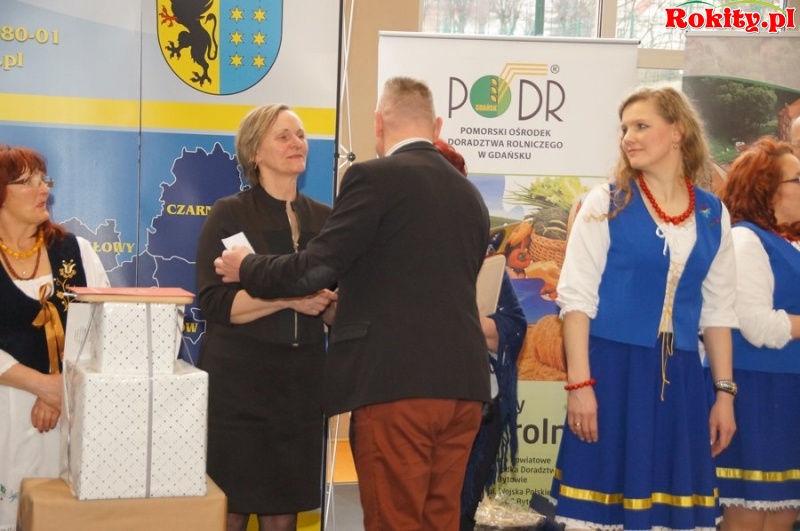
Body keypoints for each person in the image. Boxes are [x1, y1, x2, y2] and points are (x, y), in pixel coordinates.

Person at [215, 76, 491, 530]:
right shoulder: (469, 194)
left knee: (394, 521)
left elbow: (313, 269)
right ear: (436, 125)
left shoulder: (372, 178)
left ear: (379, 123)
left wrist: (247, 266)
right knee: (438, 521)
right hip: (464, 387)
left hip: (396, 386)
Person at [550, 86, 738, 530]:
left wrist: (724, 395)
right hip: (612, 371)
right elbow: (576, 301)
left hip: (683, 380)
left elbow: (717, 312)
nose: (628, 138)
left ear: (677, 131)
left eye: (641, 126)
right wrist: (580, 385)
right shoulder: (606, 203)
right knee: (601, 511)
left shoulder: (713, 214)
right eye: (624, 129)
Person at [195, 104, 336, 531]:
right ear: (255, 152)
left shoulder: (326, 219)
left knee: (283, 513)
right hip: (238, 387)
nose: (297, 143)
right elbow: (216, 303)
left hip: (300, 389)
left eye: (301, 135)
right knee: (229, 510)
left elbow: (334, 310)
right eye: (283, 136)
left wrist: (332, 304)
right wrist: (289, 299)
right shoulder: (230, 214)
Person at [0, 144, 109, 531]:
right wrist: (41, 385)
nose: (43, 188)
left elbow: (104, 328)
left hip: (70, 411)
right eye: (27, 182)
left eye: (43, 179)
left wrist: (61, 389)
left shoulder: (77, 251)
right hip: (7, 411)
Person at [433, 139, 527, 531]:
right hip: (416, 405)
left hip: (479, 406)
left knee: (459, 514)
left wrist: (470, 319)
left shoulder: (484, 256)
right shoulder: (394, 253)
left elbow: (514, 325)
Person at [714, 136, 800, 531]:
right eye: (797, 179)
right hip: (756, 391)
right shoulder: (746, 240)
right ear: (767, 189)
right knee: (748, 516)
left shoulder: (787, 244)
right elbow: (756, 324)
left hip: (786, 391)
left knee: (782, 514)